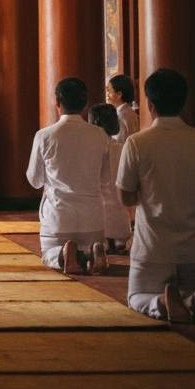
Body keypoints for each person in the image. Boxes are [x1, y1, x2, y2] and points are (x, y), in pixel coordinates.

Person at [118, 68, 195, 323]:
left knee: (136, 297)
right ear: (183, 102)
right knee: (191, 290)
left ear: (149, 104)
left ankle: (162, 301)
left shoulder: (138, 143)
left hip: (154, 250)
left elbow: (126, 198)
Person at [27, 77, 111, 276]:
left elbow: (34, 180)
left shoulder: (45, 135)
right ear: (85, 103)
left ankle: (64, 254)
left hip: (59, 218)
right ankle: (94, 251)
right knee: (89, 242)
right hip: (94, 220)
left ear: (57, 101)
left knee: (48, 253)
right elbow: (106, 179)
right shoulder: (100, 134)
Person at [88, 103, 131, 254]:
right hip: (120, 213)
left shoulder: (90, 149)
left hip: (99, 212)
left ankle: (103, 243)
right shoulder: (122, 147)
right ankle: (118, 242)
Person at [106, 74, 139, 144]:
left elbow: (119, 143)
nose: (107, 95)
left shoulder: (121, 116)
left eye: (109, 91)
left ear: (119, 94)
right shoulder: (130, 111)